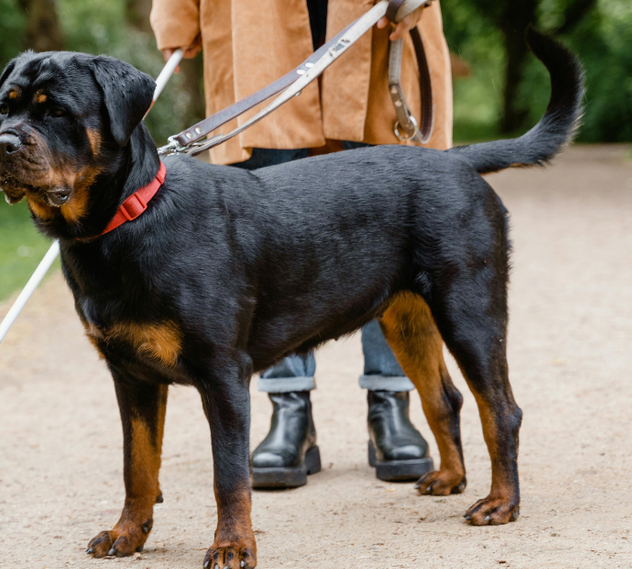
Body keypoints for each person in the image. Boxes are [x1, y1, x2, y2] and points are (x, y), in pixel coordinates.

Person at [150, 0, 453, 488]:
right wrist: (176, 14)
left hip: (376, 22)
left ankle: (390, 402)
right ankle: (288, 409)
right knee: (261, 226)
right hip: (252, 22)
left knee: (392, 220)